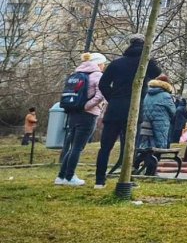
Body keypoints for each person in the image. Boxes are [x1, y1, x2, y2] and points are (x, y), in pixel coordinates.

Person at [94, 33, 161, 189]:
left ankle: (99, 180)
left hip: (115, 109)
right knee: (130, 147)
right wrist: (149, 56)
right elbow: (157, 72)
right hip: (134, 110)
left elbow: (103, 84)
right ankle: (126, 178)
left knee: (105, 147)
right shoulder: (145, 63)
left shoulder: (116, 63)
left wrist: (113, 98)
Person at [55, 52, 107, 186]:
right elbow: (100, 96)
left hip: (73, 112)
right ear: (99, 63)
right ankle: (70, 177)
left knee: (73, 146)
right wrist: (86, 106)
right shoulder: (98, 75)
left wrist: (80, 106)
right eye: (103, 64)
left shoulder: (77, 73)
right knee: (78, 147)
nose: (104, 66)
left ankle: (61, 176)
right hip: (88, 114)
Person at [135, 74, 176, 175]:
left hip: (146, 124)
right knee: (159, 147)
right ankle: (152, 171)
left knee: (147, 147)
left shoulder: (147, 94)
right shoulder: (166, 96)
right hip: (161, 125)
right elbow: (173, 111)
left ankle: (137, 164)